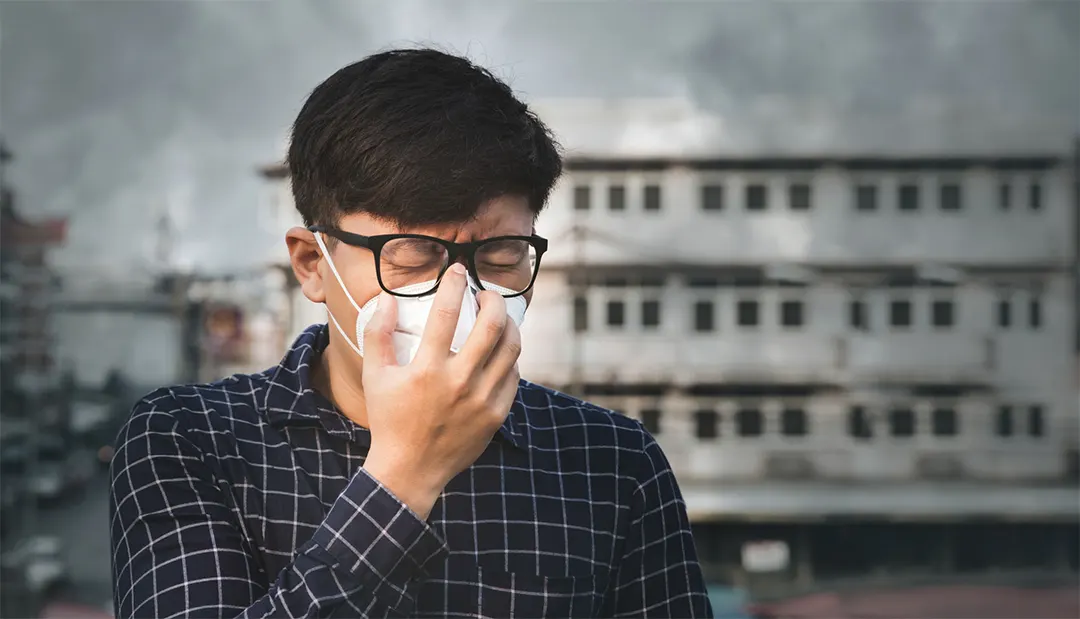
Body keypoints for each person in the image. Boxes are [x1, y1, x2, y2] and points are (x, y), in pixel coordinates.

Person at [109, 48, 712, 618]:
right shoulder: (190, 438)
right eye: (412, 254)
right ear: (312, 265)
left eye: (501, 255)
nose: (459, 294)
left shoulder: (612, 462)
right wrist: (406, 473)